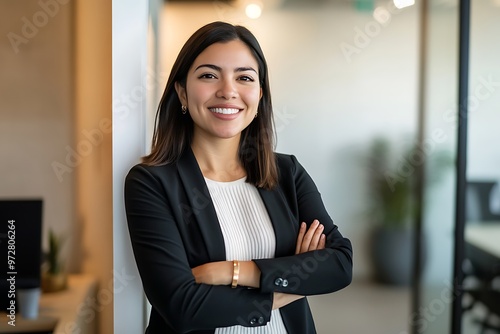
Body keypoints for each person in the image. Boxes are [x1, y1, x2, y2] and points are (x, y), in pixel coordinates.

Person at [124, 21, 352, 334]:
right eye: (208, 75)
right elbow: (182, 307)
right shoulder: (151, 183)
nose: (228, 91)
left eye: (244, 77)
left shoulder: (288, 173)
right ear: (181, 92)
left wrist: (230, 272)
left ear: (259, 95)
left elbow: (339, 265)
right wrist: (298, 281)